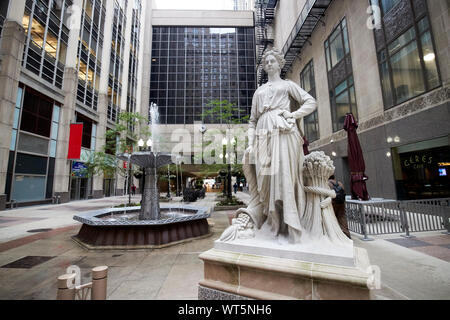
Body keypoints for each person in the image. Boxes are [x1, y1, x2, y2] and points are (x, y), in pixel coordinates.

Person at [236, 48, 317, 243]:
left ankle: (287, 226)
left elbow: (310, 102)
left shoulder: (288, 85)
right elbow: (252, 121)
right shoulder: (259, 91)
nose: (269, 64)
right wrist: (250, 143)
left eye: (273, 61)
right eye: (267, 62)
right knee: (266, 180)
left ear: (280, 64)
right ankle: (273, 224)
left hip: (284, 132)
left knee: (283, 178)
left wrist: (293, 115)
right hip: (263, 133)